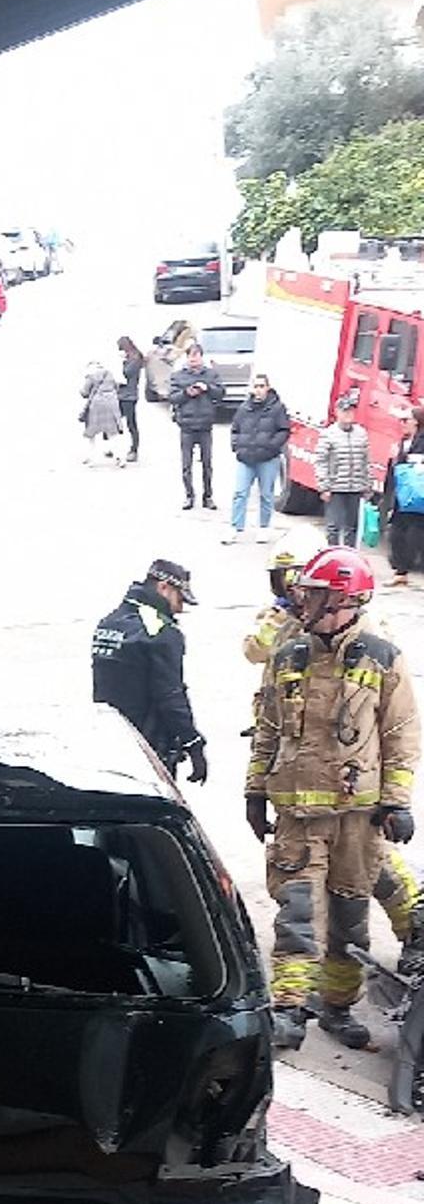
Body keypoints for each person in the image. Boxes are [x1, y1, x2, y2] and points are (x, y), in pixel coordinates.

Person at [245, 546, 420, 1051]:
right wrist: (255, 790)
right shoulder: (288, 655)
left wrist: (396, 800)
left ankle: (337, 1007)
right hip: (297, 814)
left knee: (350, 919)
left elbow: (401, 734)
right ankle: (289, 1010)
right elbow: (268, 730)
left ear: (346, 601)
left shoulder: (382, 657)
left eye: (318, 594)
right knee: (297, 917)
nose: (306, 602)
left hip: (356, 819)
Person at [91, 557, 208, 781]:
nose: (180, 609)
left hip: (108, 735)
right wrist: (192, 742)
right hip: (148, 744)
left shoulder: (109, 622)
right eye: (180, 599)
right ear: (164, 588)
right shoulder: (160, 631)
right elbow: (170, 694)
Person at [224, 372, 290, 543]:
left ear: (267, 388)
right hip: (245, 458)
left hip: (268, 459)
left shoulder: (277, 408)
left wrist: (271, 446)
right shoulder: (244, 408)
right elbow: (235, 429)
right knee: (240, 493)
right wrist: (236, 447)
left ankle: (264, 527)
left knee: (266, 494)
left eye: (262, 386)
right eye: (256, 386)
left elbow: (284, 431)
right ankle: (235, 527)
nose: (258, 390)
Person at [315, 393, 374, 548]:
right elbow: (321, 461)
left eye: (351, 411)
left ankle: (350, 556)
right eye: (345, 411)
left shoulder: (361, 434)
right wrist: (324, 486)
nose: (348, 414)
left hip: (355, 488)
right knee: (334, 526)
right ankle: (333, 555)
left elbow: (366, 461)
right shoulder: (328, 434)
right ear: (337, 412)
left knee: (352, 527)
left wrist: (368, 485)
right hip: (335, 488)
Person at [169, 343, 223, 511]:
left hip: (205, 425)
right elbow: (171, 397)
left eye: (196, 355)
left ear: (201, 356)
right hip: (186, 425)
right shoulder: (178, 376)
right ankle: (189, 496)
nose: (193, 359)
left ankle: (208, 496)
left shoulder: (211, 374)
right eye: (191, 356)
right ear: (187, 358)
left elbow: (221, 393)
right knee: (187, 464)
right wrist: (186, 393)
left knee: (207, 464)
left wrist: (207, 388)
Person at [382, 403, 424, 585]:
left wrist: (403, 458)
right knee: (396, 533)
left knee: (414, 534)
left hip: (417, 496)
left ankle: (403, 570)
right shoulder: (404, 441)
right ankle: (400, 571)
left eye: (407, 420)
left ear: (417, 422)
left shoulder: (421, 442)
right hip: (402, 495)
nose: (403, 423)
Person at [80, 360, 125, 464]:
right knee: (113, 433)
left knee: (91, 434)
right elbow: (116, 387)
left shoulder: (91, 376)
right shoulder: (110, 374)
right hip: (111, 404)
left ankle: (90, 459)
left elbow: (84, 392)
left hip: (96, 405)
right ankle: (119, 458)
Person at [116, 336, 144, 461]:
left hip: (129, 396)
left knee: (131, 423)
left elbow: (126, 373)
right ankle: (112, 447)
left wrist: (121, 362)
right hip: (120, 394)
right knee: (114, 421)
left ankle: (134, 449)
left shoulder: (135, 358)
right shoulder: (130, 358)